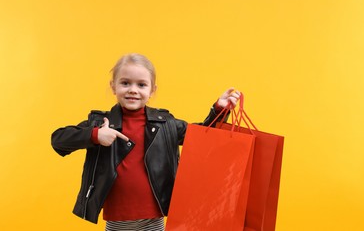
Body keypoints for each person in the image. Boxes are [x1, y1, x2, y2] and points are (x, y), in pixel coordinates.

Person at [51, 53, 240, 231]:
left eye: (141, 85)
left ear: (152, 90)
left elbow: (203, 136)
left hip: (154, 218)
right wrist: (95, 135)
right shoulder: (101, 124)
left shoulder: (166, 124)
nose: (133, 90)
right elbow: (58, 139)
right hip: (118, 220)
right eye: (125, 83)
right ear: (113, 86)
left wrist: (218, 110)